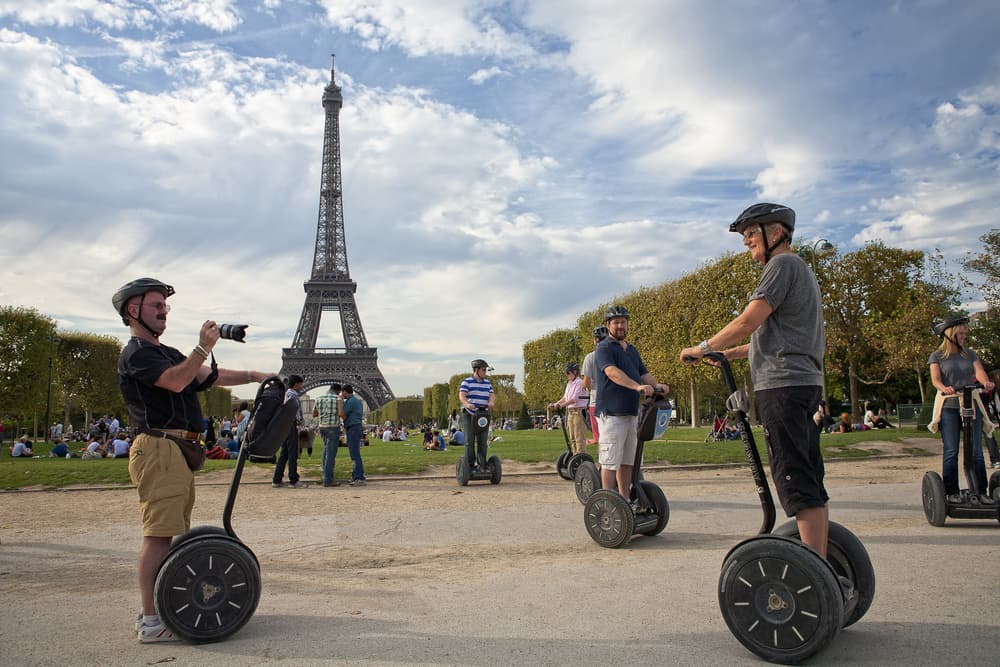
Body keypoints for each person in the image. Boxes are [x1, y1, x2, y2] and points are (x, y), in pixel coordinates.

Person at [113, 277, 269, 643]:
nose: (164, 311)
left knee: (166, 533)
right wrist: (202, 347)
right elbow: (175, 381)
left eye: (165, 306)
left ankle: (158, 609)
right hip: (159, 447)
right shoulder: (136, 353)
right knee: (158, 536)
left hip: (177, 450)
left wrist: (256, 376)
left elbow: (206, 376)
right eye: (156, 306)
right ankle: (151, 621)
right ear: (133, 310)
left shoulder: (164, 351)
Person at [679, 203, 831, 557]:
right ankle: (820, 557)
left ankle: (815, 567)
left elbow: (748, 321)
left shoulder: (780, 265)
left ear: (775, 232)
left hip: (783, 386)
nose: (746, 240)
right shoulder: (800, 269)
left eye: (751, 233)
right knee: (807, 474)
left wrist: (702, 347)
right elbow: (771, 338)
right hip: (802, 382)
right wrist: (726, 354)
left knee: (794, 476)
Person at [595, 306, 668, 498]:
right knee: (610, 461)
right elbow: (611, 372)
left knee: (628, 461)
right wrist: (637, 387)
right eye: (616, 322)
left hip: (632, 412)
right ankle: (608, 500)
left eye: (623, 322)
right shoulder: (604, 348)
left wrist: (657, 385)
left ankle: (625, 499)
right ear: (608, 325)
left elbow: (644, 373)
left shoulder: (632, 350)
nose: (620, 326)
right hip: (611, 413)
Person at [928, 315, 995, 501]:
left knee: (976, 451)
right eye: (961, 334)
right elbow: (936, 380)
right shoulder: (937, 356)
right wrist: (944, 388)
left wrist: (986, 382)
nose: (965, 337)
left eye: (965, 333)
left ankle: (980, 491)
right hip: (949, 406)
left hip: (970, 404)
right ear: (950, 335)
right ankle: (952, 492)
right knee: (951, 451)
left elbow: (979, 371)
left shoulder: (970, 354)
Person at [459, 359, 496, 471]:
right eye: (483, 370)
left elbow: (492, 395)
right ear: (476, 370)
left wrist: (491, 402)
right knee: (469, 441)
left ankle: (482, 464)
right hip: (469, 414)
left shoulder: (487, 383)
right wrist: (467, 404)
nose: (485, 372)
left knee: (483, 441)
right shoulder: (467, 382)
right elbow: (462, 395)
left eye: (486, 370)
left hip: (483, 414)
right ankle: (470, 466)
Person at [548, 362, 589, 457]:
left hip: (579, 412)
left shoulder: (580, 383)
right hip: (571, 412)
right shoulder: (570, 383)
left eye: (568, 373)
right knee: (572, 438)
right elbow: (565, 398)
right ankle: (575, 457)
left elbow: (574, 399)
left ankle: (581, 458)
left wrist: (561, 405)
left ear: (575, 372)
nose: (567, 375)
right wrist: (556, 404)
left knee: (579, 437)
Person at [273, 375, 307, 489]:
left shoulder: (285, 394)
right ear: (296, 384)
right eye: (300, 384)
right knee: (293, 454)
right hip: (290, 426)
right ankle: (294, 480)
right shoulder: (294, 395)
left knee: (284, 454)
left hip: (283, 426)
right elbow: (297, 412)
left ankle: (276, 480)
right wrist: (301, 422)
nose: (301, 386)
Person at [581, 325, 610, 444]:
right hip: (613, 398)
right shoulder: (614, 355)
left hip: (596, 399)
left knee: (599, 435)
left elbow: (586, 382)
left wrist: (582, 385)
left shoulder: (590, 357)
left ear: (595, 340)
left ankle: (596, 440)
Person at [313, 383, 343, 487]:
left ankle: (325, 474)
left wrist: (323, 413)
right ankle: (328, 480)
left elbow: (314, 414)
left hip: (322, 427)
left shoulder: (318, 398)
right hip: (333, 427)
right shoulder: (338, 399)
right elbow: (340, 413)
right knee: (331, 454)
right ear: (338, 391)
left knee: (326, 450)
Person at [339, 384, 366, 486]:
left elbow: (342, 415)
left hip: (353, 428)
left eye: (342, 392)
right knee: (355, 454)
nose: (341, 394)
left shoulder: (350, 402)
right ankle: (357, 476)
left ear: (345, 392)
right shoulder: (356, 401)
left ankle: (359, 478)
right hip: (356, 427)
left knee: (354, 454)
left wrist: (339, 401)